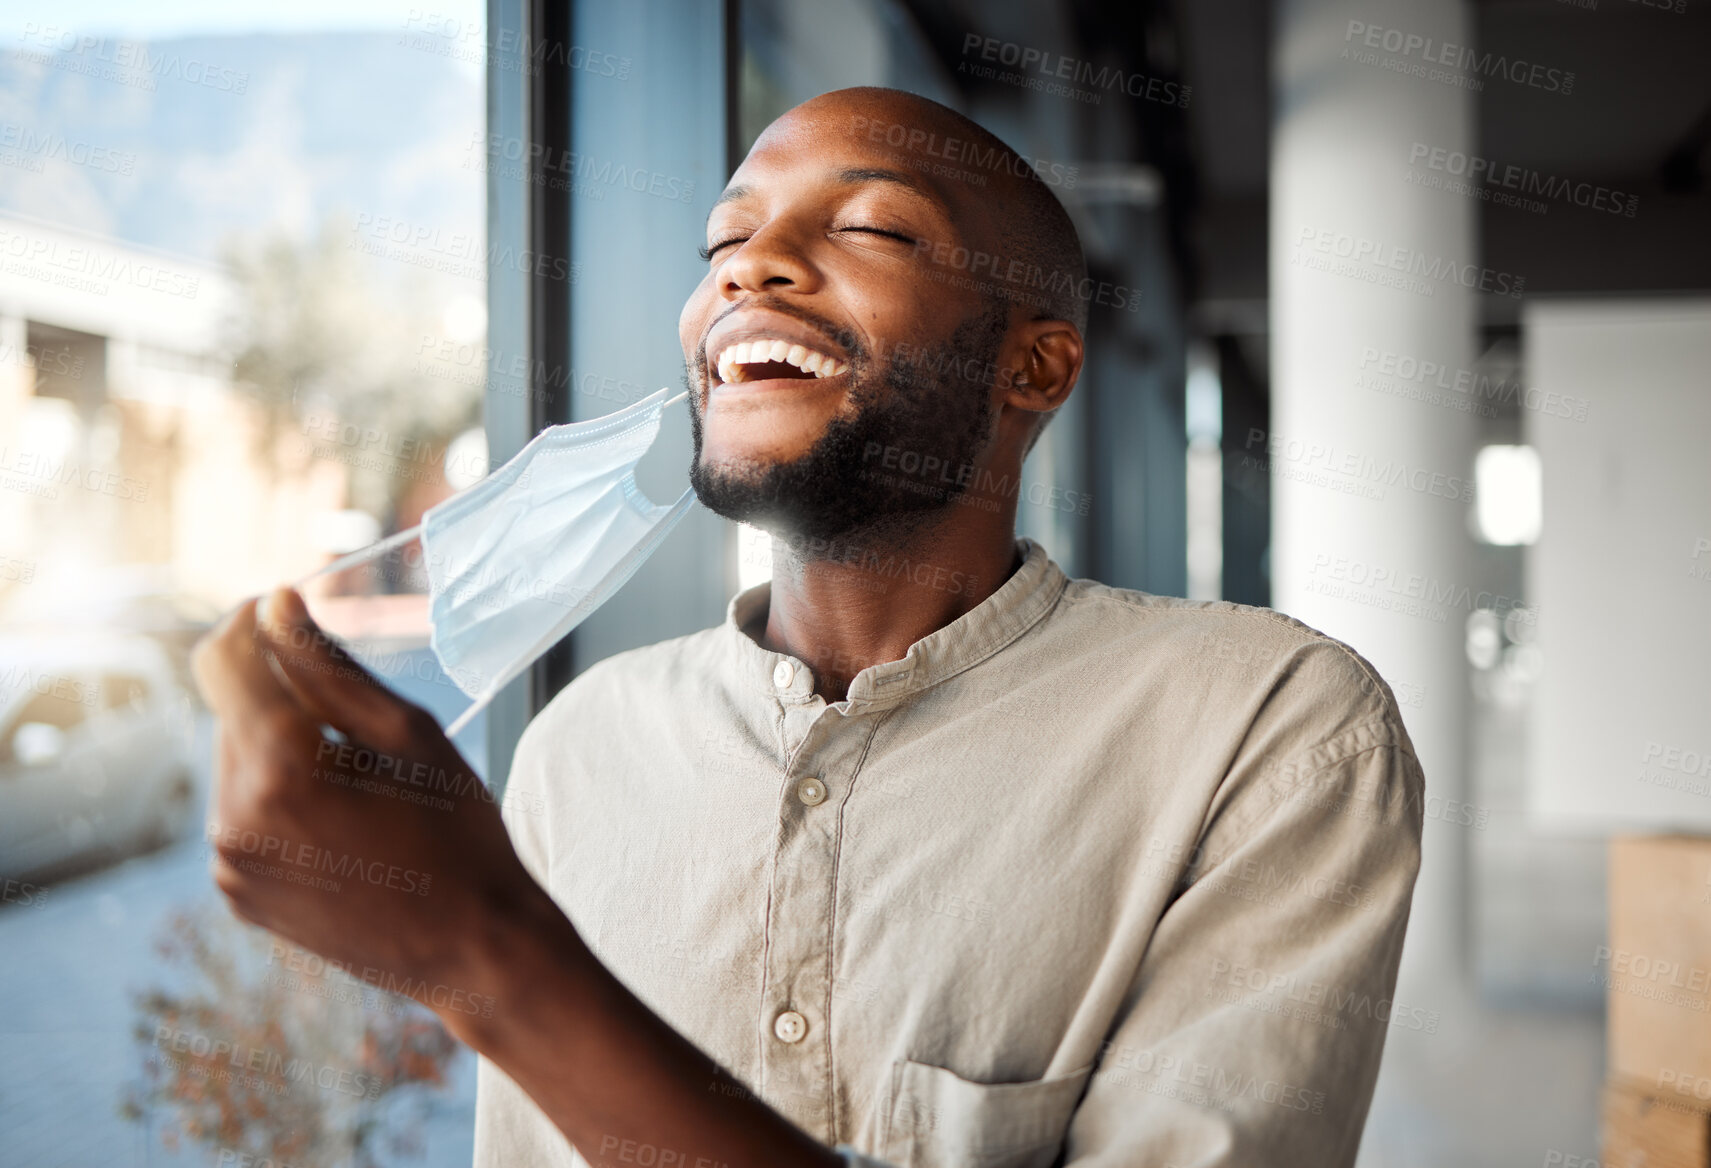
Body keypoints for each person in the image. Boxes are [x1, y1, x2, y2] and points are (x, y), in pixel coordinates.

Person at [192, 86, 1423, 1167]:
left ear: (1036, 369)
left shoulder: (1272, 724)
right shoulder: (584, 742)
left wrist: (486, 955)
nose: (746, 265)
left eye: (875, 226)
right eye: (723, 238)